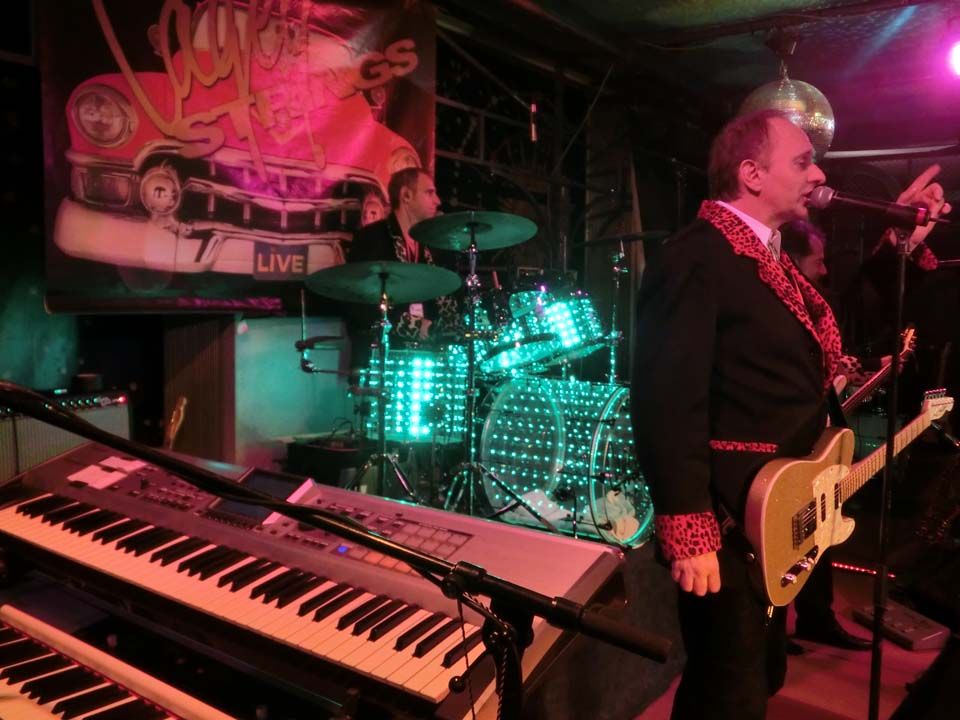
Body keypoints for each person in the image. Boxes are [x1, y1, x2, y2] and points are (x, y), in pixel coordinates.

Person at [630, 109, 949, 719]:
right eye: (803, 162)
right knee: (728, 690)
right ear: (751, 173)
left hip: (780, 511)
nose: (819, 174)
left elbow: (830, 318)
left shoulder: (766, 256)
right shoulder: (696, 256)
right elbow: (664, 398)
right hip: (726, 519)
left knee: (763, 671)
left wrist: (899, 242)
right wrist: (688, 525)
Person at [347, 167, 461, 350]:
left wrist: (451, 328)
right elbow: (362, 306)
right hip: (384, 350)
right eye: (429, 192)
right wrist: (415, 327)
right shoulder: (372, 238)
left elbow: (445, 300)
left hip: (428, 352)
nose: (437, 201)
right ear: (406, 195)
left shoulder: (432, 245)